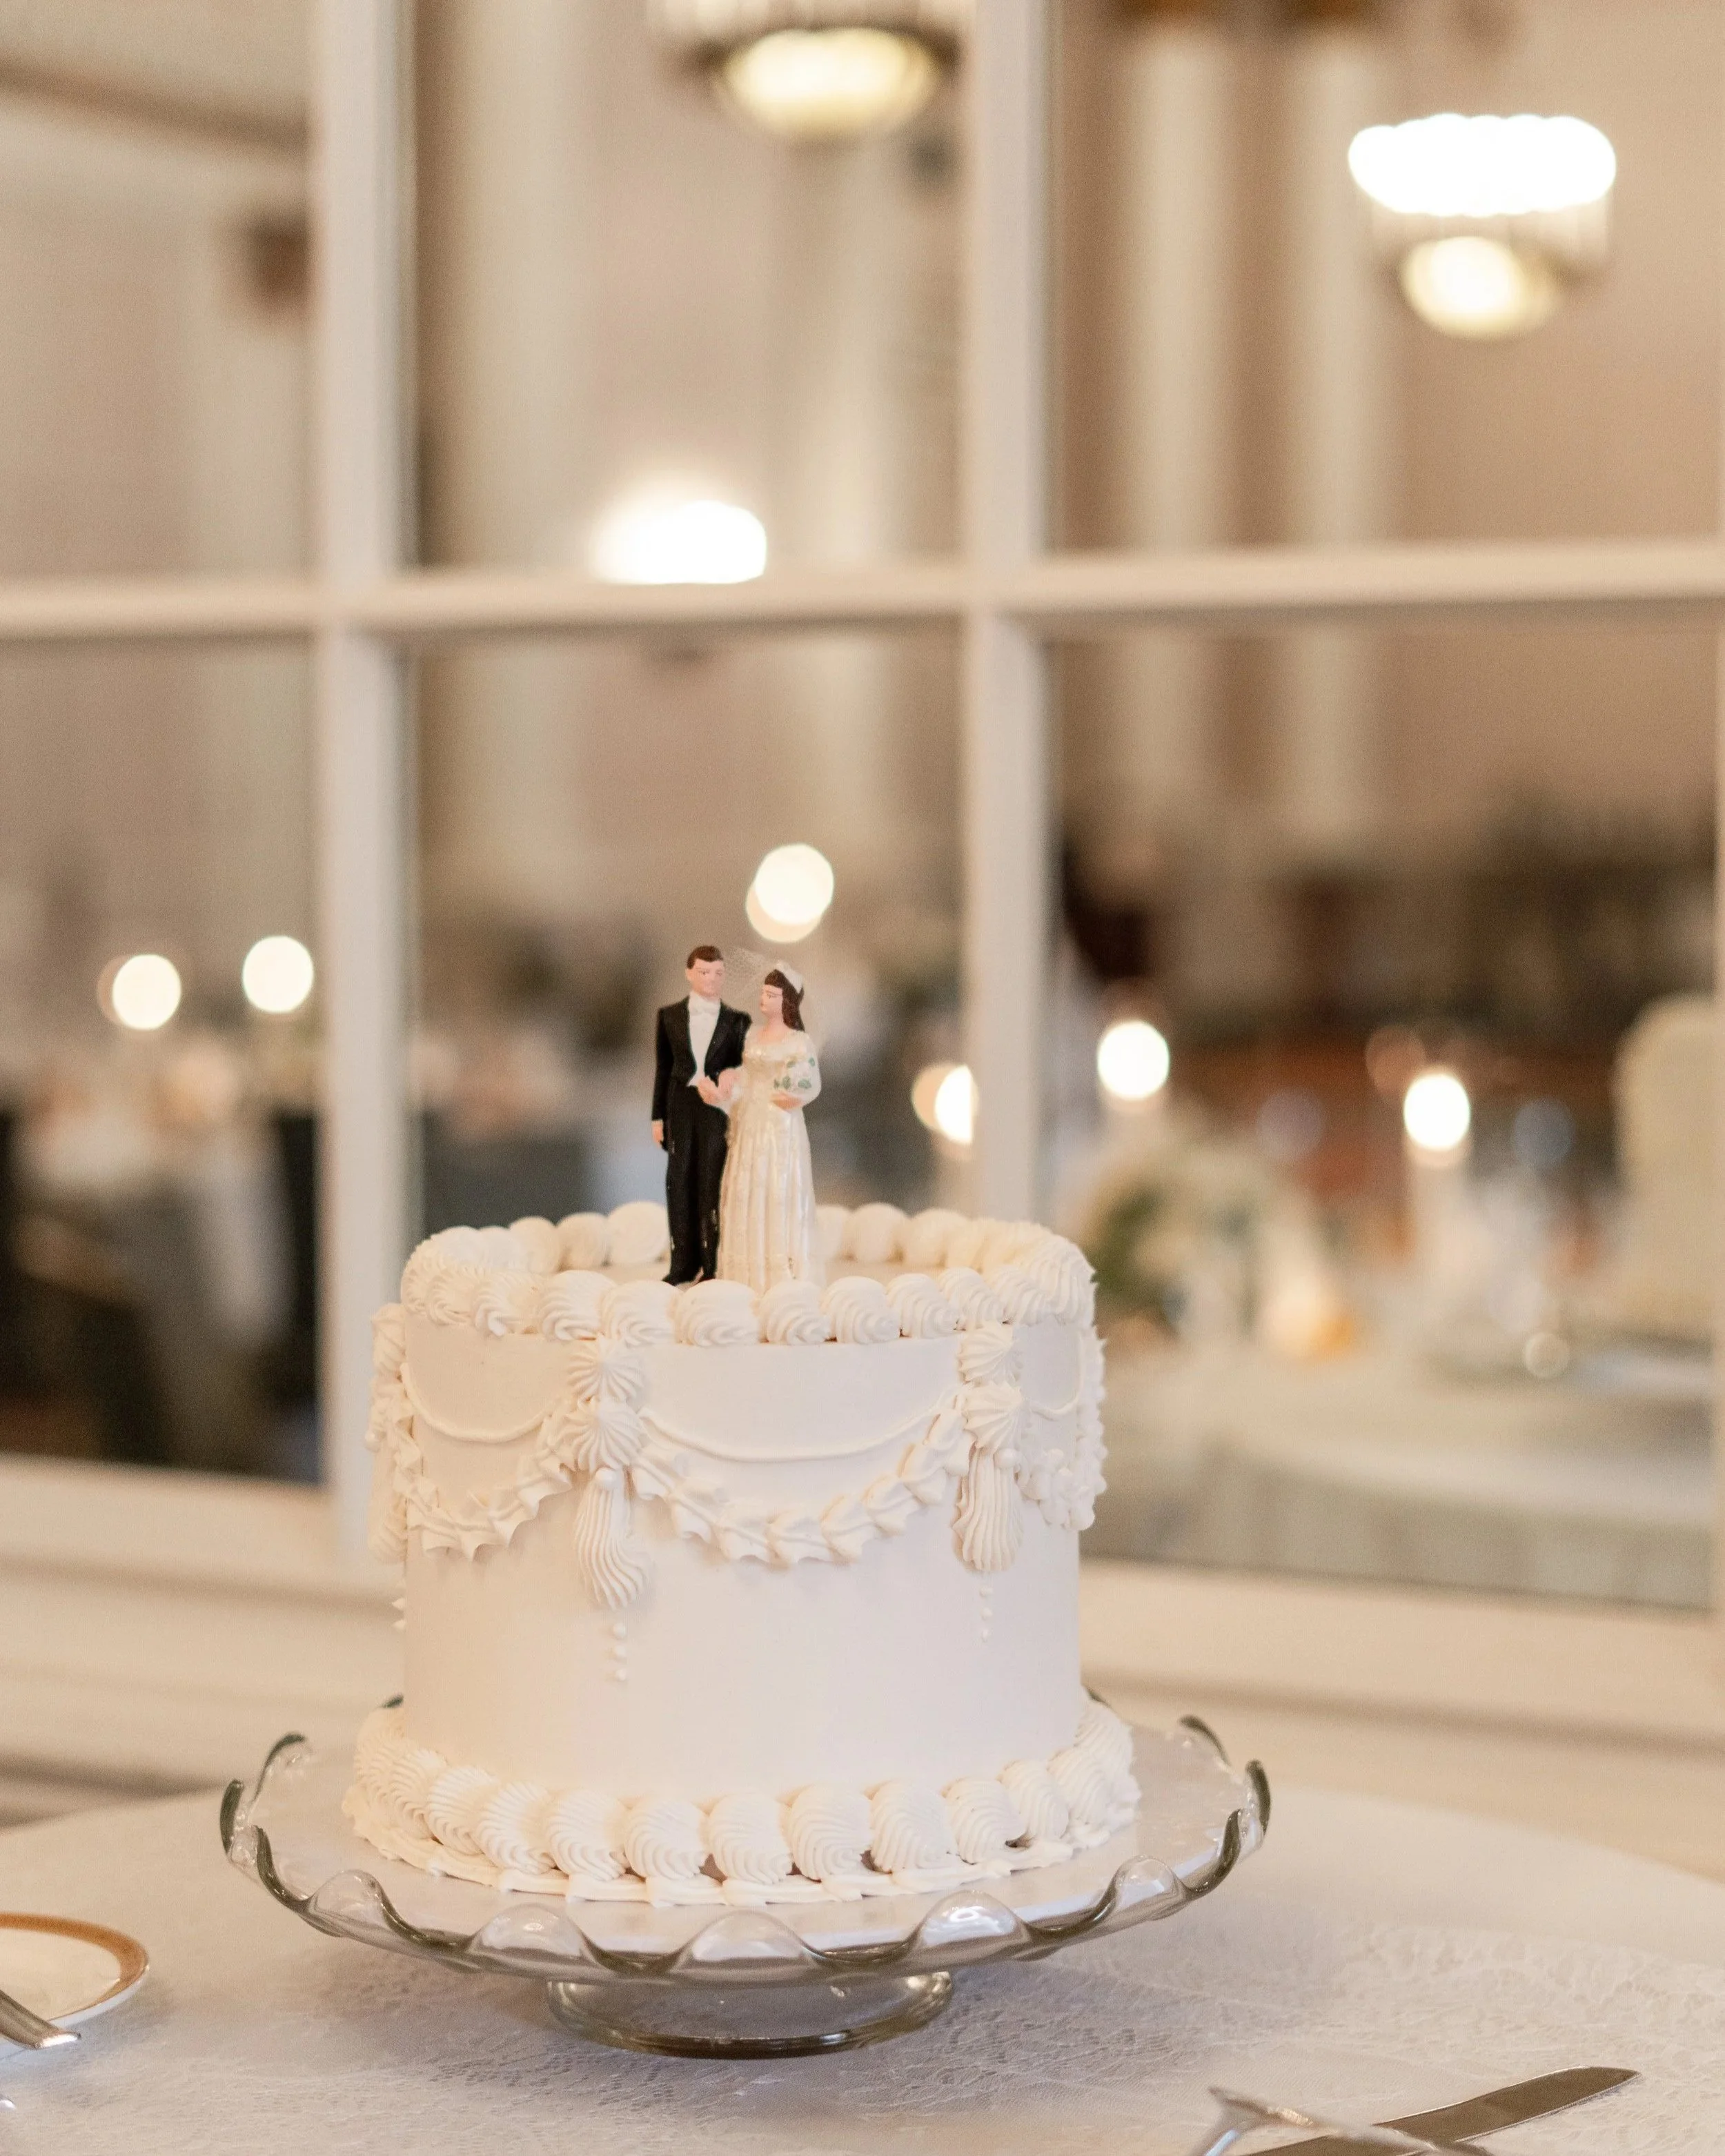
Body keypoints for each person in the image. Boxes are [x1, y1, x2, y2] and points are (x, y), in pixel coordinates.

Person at [709, 967, 822, 1293]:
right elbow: (745, 1074)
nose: (764, 999)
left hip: (779, 1126)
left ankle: (780, 1272)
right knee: (747, 1184)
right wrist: (728, 1084)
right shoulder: (752, 1035)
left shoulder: (798, 1042)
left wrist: (792, 1096)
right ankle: (744, 1272)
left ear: (787, 1001)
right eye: (763, 993)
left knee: (775, 1186)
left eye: (772, 995)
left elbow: (810, 1081)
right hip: (750, 1119)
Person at [652, 945, 748, 1285]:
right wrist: (657, 1117)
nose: (711, 979)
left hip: (716, 1108)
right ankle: (682, 1262)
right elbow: (663, 1069)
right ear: (689, 973)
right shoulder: (669, 1016)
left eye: (718, 973)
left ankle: (712, 1263)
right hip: (680, 1104)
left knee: (711, 1181)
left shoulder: (737, 1021)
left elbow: (744, 1068)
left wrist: (730, 1083)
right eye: (705, 972)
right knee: (678, 1183)